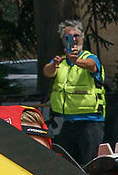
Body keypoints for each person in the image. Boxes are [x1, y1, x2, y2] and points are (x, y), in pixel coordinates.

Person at [43, 19, 106, 166]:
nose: (73, 39)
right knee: (69, 166)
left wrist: (76, 60)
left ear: (82, 37)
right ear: (63, 40)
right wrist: (54, 65)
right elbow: (47, 71)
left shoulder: (89, 58)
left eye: (76, 35)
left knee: (91, 165)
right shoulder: (61, 61)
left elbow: (92, 66)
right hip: (69, 122)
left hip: (91, 122)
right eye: (68, 37)